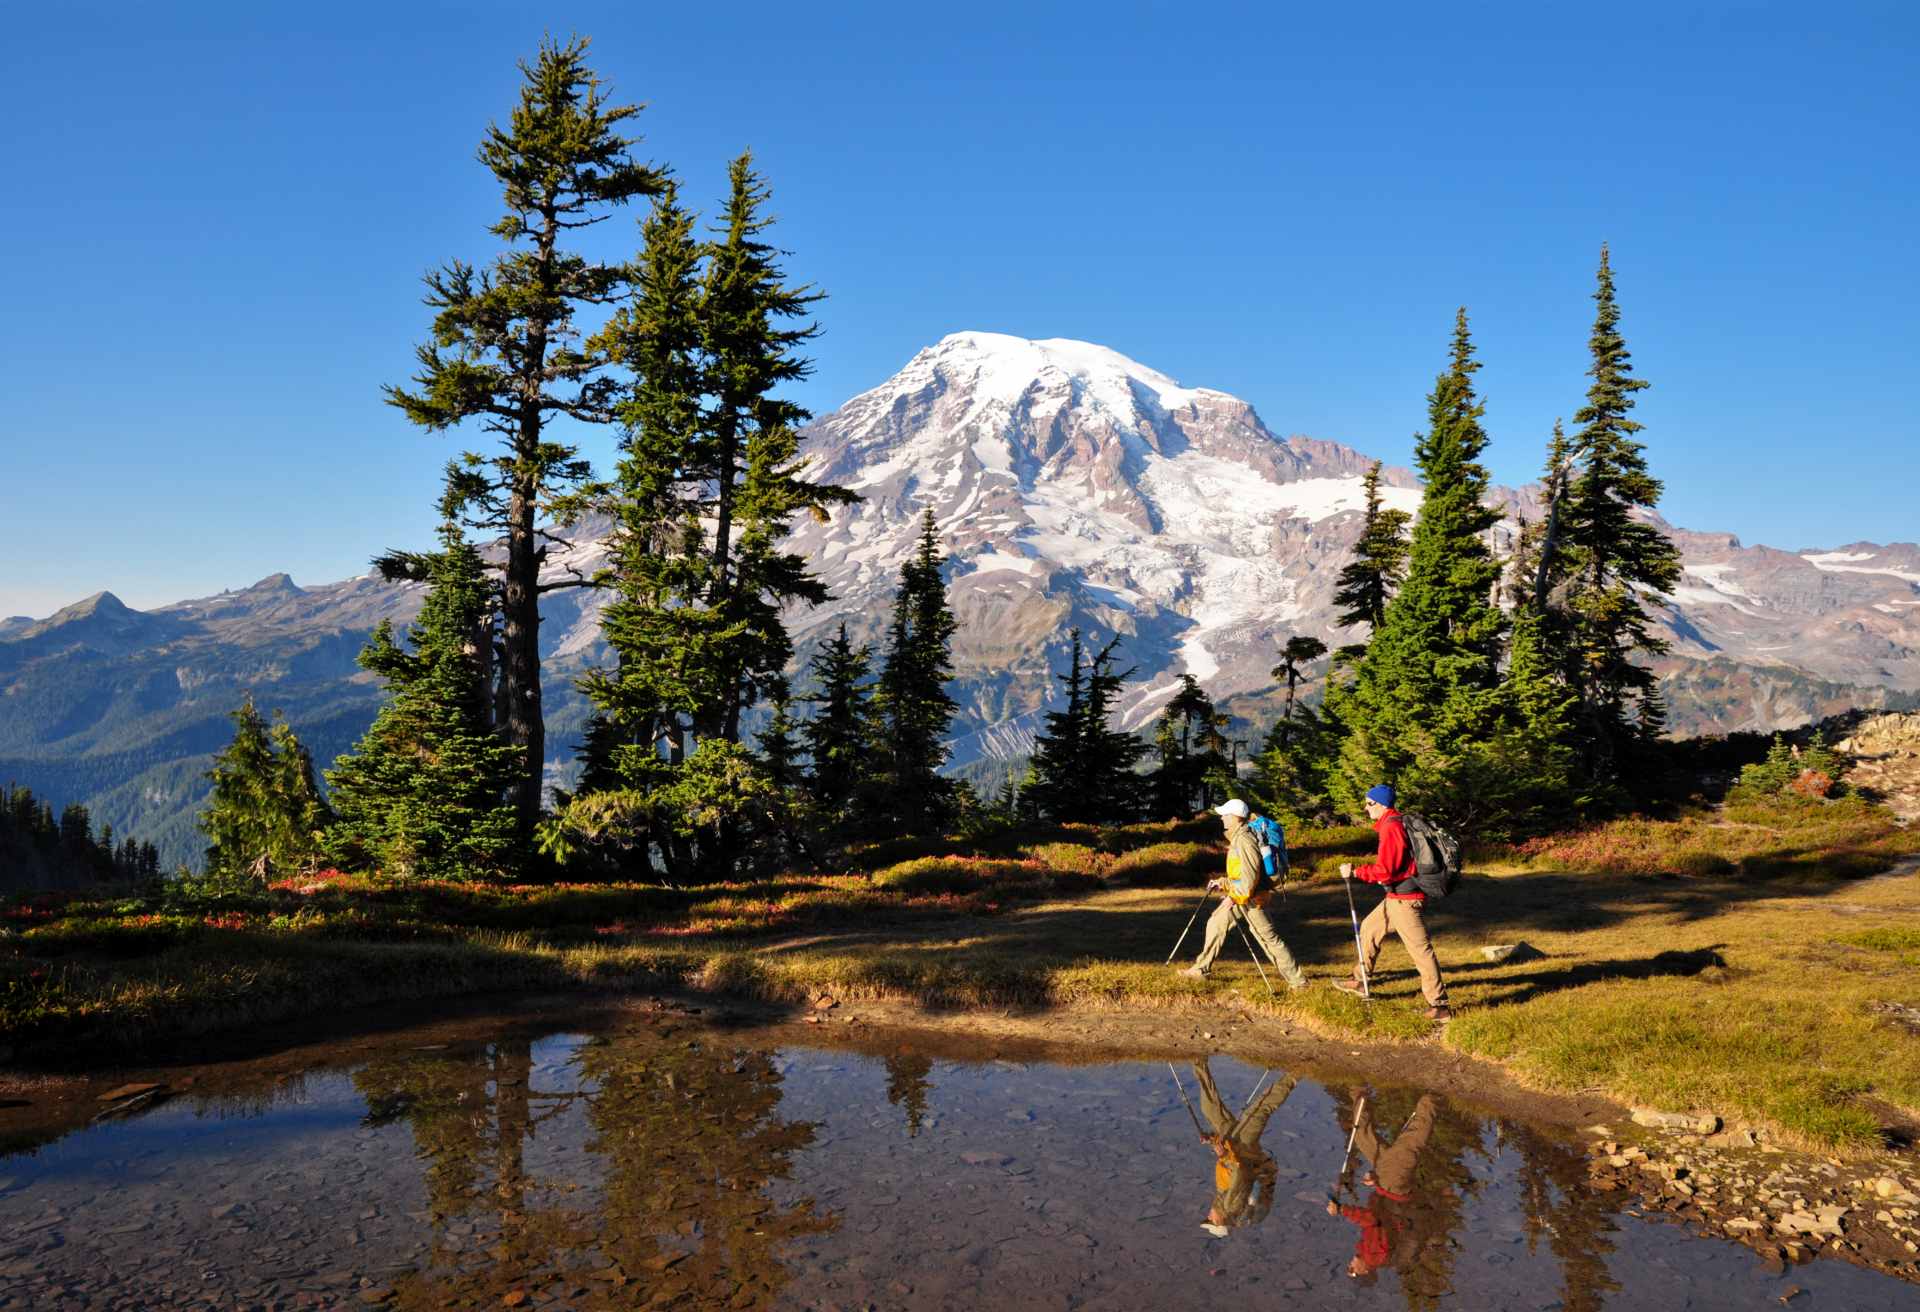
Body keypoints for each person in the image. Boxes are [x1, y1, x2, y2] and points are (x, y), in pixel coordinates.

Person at [1334, 784, 1451, 1020]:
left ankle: (1439, 1006)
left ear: (1381, 804)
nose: (1365, 809)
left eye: (1369, 804)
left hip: (1406, 900)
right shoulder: (1393, 823)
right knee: (1369, 928)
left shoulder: (1392, 827)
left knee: (1420, 950)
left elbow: (1386, 871)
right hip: (1396, 897)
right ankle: (1359, 980)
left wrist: (1357, 872)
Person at [1177, 798, 1308, 990]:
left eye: (1224, 815)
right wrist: (1223, 883)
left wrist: (1233, 897)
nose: (1222, 819)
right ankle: (1200, 969)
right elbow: (1241, 874)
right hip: (1244, 894)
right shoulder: (1239, 837)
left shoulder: (1244, 839)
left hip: (1252, 897)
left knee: (1268, 938)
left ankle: (1299, 983)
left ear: (1234, 817)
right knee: (1216, 922)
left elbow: (1249, 878)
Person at [1324, 1093, 1441, 1285]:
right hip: (1393, 1188)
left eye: (1349, 1268)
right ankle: (1433, 1097)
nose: (1350, 1265)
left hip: (1385, 1187)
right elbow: (1371, 1220)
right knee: (1410, 1144)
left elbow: (1379, 1216)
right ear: (1365, 1271)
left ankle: (1357, 1089)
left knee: (1362, 1136)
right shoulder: (1374, 1257)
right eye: (1351, 1270)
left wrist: (1375, 1182)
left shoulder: (1367, 1252)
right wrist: (1342, 1210)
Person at [1193, 1059, 1295, 1237]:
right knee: (1261, 1109)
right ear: (1218, 1221)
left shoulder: (1224, 1204)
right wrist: (1224, 1155)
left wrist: (1213, 1140)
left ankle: (1198, 1061)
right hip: (1245, 1150)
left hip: (1235, 1147)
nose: (1208, 1214)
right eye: (1209, 1219)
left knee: (1209, 1110)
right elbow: (1242, 1174)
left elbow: (1230, 1173)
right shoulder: (1231, 1206)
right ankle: (1296, 1074)